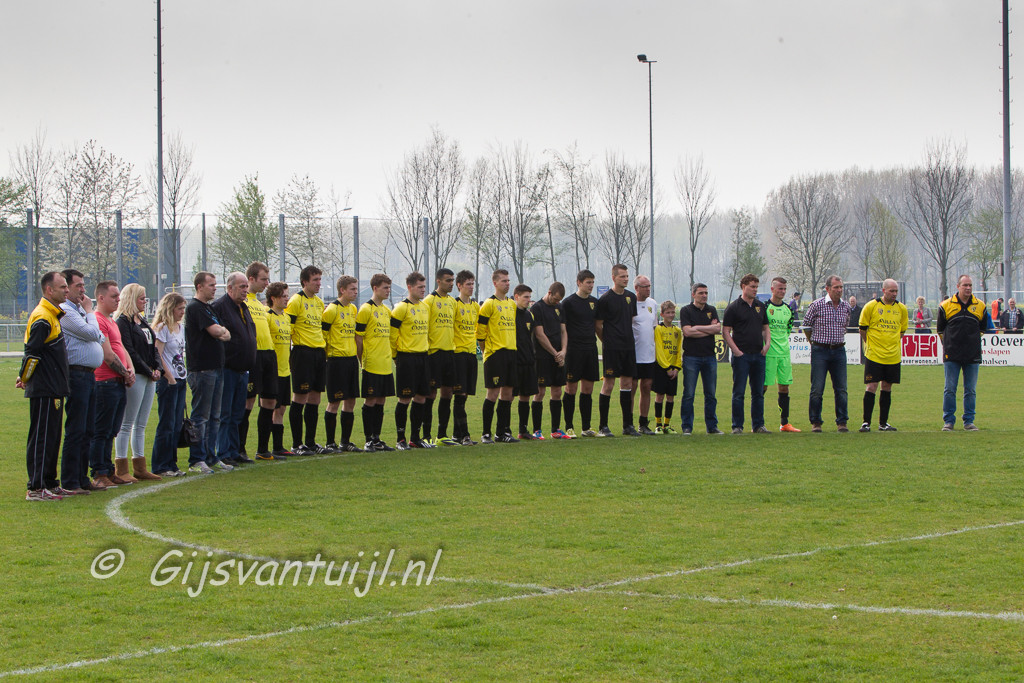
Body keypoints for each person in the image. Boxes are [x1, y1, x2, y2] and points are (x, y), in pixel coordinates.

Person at [18, 272, 71, 501]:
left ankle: (50, 482)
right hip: (44, 388)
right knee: (41, 438)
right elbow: (32, 353)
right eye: (63, 287)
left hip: (54, 388)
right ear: (49, 290)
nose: (67, 291)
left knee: (52, 438)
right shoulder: (42, 317)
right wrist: (25, 377)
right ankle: (36, 487)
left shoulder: (52, 315)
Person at [59, 268, 106, 493]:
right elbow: (92, 334)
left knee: (88, 429)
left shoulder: (78, 310)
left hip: (88, 374)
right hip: (76, 374)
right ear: (67, 289)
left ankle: (82, 478)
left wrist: (89, 321)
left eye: (83, 285)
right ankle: (70, 481)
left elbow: (99, 336)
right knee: (76, 428)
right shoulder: (66, 311)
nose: (83, 290)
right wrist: (90, 312)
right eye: (78, 285)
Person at [90, 281, 137, 486]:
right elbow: (108, 355)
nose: (118, 299)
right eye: (114, 296)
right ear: (101, 298)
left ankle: (108, 471)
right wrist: (125, 373)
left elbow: (121, 348)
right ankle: (99, 472)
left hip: (117, 381)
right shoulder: (97, 320)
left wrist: (130, 369)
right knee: (101, 429)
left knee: (112, 430)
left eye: (118, 296)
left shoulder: (111, 321)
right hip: (105, 382)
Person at [114, 283, 162, 481]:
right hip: (138, 374)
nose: (145, 301)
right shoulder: (123, 321)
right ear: (132, 299)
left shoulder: (141, 320)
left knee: (141, 423)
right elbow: (129, 350)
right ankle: (121, 467)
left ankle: (140, 466)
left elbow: (153, 347)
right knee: (127, 422)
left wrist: (157, 368)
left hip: (149, 375)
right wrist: (147, 370)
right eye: (142, 298)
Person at [185, 271, 230, 474]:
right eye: (211, 285)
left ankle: (212, 456)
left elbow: (225, 333)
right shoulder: (195, 307)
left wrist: (222, 332)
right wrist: (221, 331)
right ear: (199, 286)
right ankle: (197, 459)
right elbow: (217, 331)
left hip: (216, 367)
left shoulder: (209, 308)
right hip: (202, 369)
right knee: (200, 417)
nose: (215, 288)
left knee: (215, 416)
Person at [937, 275, 994, 431]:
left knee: (970, 390)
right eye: (965, 285)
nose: (968, 288)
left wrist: (971, 343)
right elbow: (940, 330)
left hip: (972, 355)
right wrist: (950, 345)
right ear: (958, 286)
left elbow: (982, 328)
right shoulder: (945, 306)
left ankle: (969, 421)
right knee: (950, 389)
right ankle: (948, 421)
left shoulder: (980, 306)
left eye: (970, 285)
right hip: (952, 355)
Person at [212, 273, 256, 466]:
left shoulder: (243, 308)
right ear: (229, 288)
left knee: (237, 413)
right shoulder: (220, 307)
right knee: (225, 413)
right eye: (241, 286)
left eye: (246, 286)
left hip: (243, 369)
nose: (246, 290)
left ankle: (234, 450)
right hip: (228, 368)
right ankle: (223, 452)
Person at [286, 265, 327, 454]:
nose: (319, 283)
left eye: (319, 279)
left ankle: (310, 442)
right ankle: (296, 444)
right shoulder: (296, 301)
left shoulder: (318, 302)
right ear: (305, 282)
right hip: (302, 353)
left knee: (315, 397)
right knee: (300, 397)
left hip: (319, 353)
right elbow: (288, 328)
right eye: (315, 280)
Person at [802, 275, 852, 433]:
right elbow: (806, 326)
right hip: (820, 350)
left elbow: (845, 325)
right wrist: (815, 343)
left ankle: (842, 422)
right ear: (827, 288)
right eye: (836, 287)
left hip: (839, 350)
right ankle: (816, 422)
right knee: (817, 388)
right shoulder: (817, 305)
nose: (839, 290)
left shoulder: (846, 307)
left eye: (841, 287)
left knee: (841, 388)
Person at [722, 273, 771, 434]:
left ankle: (758, 425)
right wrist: (736, 351)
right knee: (739, 392)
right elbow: (726, 331)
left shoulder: (760, 306)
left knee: (758, 392)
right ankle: (737, 426)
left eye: (756, 287)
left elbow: (765, 327)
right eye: (752, 287)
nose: (755, 290)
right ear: (743, 287)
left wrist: (767, 345)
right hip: (742, 356)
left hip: (759, 355)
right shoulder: (733, 307)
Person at [858, 279, 908, 432]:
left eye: (896, 291)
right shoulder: (871, 306)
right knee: (871, 386)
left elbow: (902, 331)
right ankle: (866, 422)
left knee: (887, 387)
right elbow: (862, 329)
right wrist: (871, 344)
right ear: (883, 290)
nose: (894, 294)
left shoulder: (901, 309)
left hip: (892, 356)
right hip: (874, 355)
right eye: (891, 291)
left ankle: (883, 423)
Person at [596, 264, 640, 437]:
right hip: (612, 349)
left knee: (627, 384)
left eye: (627, 276)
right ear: (613, 278)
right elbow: (598, 325)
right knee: (609, 384)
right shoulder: (605, 299)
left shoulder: (631, 297)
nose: (626, 279)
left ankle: (627, 425)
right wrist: (608, 341)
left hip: (628, 347)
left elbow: (630, 320)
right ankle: (603, 426)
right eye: (622, 276)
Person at [477, 268, 519, 443]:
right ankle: (486, 433)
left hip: (511, 353)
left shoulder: (512, 304)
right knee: (492, 394)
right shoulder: (489, 304)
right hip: (495, 355)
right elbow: (480, 334)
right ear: (495, 283)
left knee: (507, 394)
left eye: (508, 280)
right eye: (504, 281)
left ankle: (502, 433)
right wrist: (487, 351)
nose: (507, 283)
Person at [391, 271, 432, 449]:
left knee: (421, 397)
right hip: (406, 358)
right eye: (420, 287)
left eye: (424, 287)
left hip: (423, 357)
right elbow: (392, 336)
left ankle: (415, 438)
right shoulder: (401, 308)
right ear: (410, 287)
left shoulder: (425, 307)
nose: (423, 290)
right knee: (405, 398)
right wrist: (396, 356)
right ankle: (400, 439)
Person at [355, 273, 396, 452]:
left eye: (389, 287)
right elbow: (358, 338)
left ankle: (377, 438)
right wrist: (361, 360)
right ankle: (368, 440)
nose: (388, 291)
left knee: (381, 401)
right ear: (375, 288)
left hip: (385, 364)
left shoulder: (387, 311)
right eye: (385, 287)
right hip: (371, 363)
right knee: (370, 400)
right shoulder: (366, 309)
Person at [322, 275, 362, 452]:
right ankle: (330, 442)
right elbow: (323, 335)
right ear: (342, 290)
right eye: (352, 289)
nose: (355, 292)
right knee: (334, 401)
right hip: (336, 361)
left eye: (356, 288)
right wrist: (327, 357)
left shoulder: (353, 309)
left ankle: (345, 442)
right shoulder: (331, 310)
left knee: (351, 401)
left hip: (351, 360)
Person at [242, 262, 278, 460]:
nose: (266, 283)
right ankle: (240, 449)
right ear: (251, 279)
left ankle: (263, 450)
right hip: (253, 356)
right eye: (263, 279)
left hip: (269, 355)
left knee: (270, 400)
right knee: (248, 401)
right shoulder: (243, 302)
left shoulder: (260, 305)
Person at [151, 292, 188, 476]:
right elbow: (157, 355)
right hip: (169, 381)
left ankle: (172, 463)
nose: (182, 312)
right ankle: (161, 465)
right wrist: (169, 377)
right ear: (170, 308)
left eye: (183, 308)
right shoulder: (162, 328)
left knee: (176, 424)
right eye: (179, 308)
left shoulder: (180, 328)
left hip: (180, 378)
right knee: (166, 423)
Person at [679, 282, 722, 435]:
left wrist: (697, 328)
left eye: (706, 293)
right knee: (689, 394)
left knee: (711, 394)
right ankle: (687, 426)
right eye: (701, 293)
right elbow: (687, 332)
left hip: (710, 357)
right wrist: (709, 329)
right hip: (691, 357)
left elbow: (718, 329)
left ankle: (712, 426)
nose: (704, 296)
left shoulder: (712, 310)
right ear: (693, 294)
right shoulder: (686, 310)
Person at [561, 269, 600, 438]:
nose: (591, 285)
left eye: (592, 282)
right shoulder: (568, 303)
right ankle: (569, 427)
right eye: (588, 282)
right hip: (573, 350)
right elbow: (562, 328)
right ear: (579, 283)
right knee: (571, 388)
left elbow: (597, 325)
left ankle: (586, 427)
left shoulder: (594, 302)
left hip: (590, 349)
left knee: (588, 389)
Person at [423, 268, 458, 446]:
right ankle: (426, 436)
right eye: (448, 280)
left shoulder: (452, 302)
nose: (451, 283)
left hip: (449, 353)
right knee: (431, 394)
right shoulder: (429, 301)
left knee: (448, 393)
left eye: (452, 280)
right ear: (438, 281)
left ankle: (442, 435)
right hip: (433, 354)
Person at [531, 281, 569, 439]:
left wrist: (563, 352)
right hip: (542, 356)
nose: (557, 302)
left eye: (559, 300)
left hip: (558, 356)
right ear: (549, 293)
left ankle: (555, 429)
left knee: (557, 391)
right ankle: (537, 430)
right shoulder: (537, 308)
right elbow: (539, 334)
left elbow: (563, 331)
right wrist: (555, 353)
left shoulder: (560, 308)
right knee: (540, 392)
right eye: (555, 299)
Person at [765, 276, 800, 432]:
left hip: (784, 354)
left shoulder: (788, 310)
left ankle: (784, 423)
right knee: (763, 387)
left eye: (785, 289)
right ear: (772, 289)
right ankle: (757, 423)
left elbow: (787, 330)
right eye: (780, 288)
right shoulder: (765, 307)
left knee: (784, 387)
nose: (783, 291)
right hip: (769, 354)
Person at [264, 281, 293, 459]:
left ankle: (278, 446)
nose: (286, 299)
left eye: (287, 296)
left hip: (285, 370)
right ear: (273, 298)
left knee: (281, 409)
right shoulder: (267, 317)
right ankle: (264, 447)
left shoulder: (286, 318)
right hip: (272, 371)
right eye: (283, 296)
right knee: (270, 409)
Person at [451, 270, 480, 445]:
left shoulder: (475, 306)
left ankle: (456, 434)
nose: (471, 287)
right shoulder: (454, 305)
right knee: (460, 395)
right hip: (458, 355)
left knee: (465, 396)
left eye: (472, 283)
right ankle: (465, 435)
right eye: (468, 284)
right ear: (459, 286)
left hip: (471, 355)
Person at [510, 284, 539, 439]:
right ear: (516, 297)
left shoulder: (529, 315)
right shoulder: (510, 314)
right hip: (514, 361)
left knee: (525, 396)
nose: (528, 300)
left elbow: (531, 337)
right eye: (525, 297)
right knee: (509, 396)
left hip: (528, 361)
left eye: (529, 297)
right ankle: (504, 429)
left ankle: (523, 430)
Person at [631, 275, 659, 435]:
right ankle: (628, 423)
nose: (648, 289)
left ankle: (643, 422)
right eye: (645, 286)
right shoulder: (630, 304)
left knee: (647, 387)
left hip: (649, 354)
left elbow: (655, 327)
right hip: (634, 354)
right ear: (636, 288)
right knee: (632, 387)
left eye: (649, 286)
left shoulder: (652, 304)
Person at [652, 300, 682, 434]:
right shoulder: (659, 329)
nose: (671, 315)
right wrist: (667, 368)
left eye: (673, 312)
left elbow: (679, 350)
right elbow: (659, 350)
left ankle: (667, 425)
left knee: (671, 397)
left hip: (673, 369)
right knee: (660, 396)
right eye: (668, 312)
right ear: (662, 314)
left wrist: (676, 368)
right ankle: (658, 425)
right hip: (661, 368)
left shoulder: (677, 331)